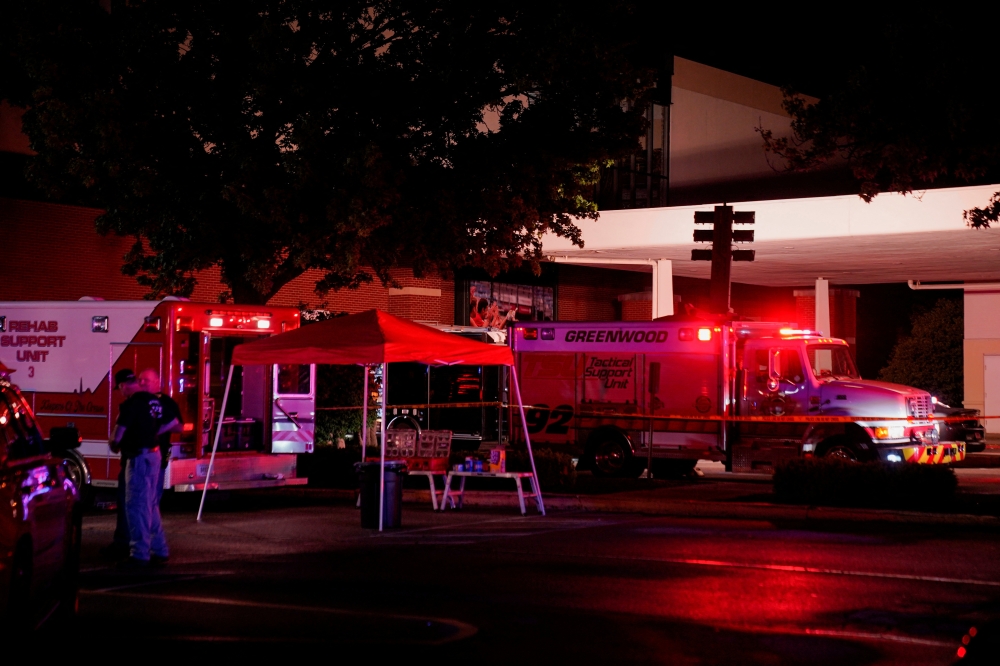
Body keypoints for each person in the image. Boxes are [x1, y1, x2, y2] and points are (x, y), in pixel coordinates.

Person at [109, 370, 170, 568]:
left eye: (119, 388)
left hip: (138, 458)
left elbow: (118, 435)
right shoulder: (153, 401)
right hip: (154, 454)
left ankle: (139, 553)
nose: (120, 392)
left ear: (123, 385)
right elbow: (164, 425)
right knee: (150, 505)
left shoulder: (130, 404)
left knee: (136, 505)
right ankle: (160, 549)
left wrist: (114, 443)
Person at [137, 368, 183, 507]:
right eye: (140, 380)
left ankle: (149, 526)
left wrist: (156, 431)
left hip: (157, 455)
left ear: (157, 382)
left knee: (152, 499)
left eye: (146, 380)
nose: (142, 383)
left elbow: (178, 426)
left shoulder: (165, 402)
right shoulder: (137, 401)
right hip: (137, 457)